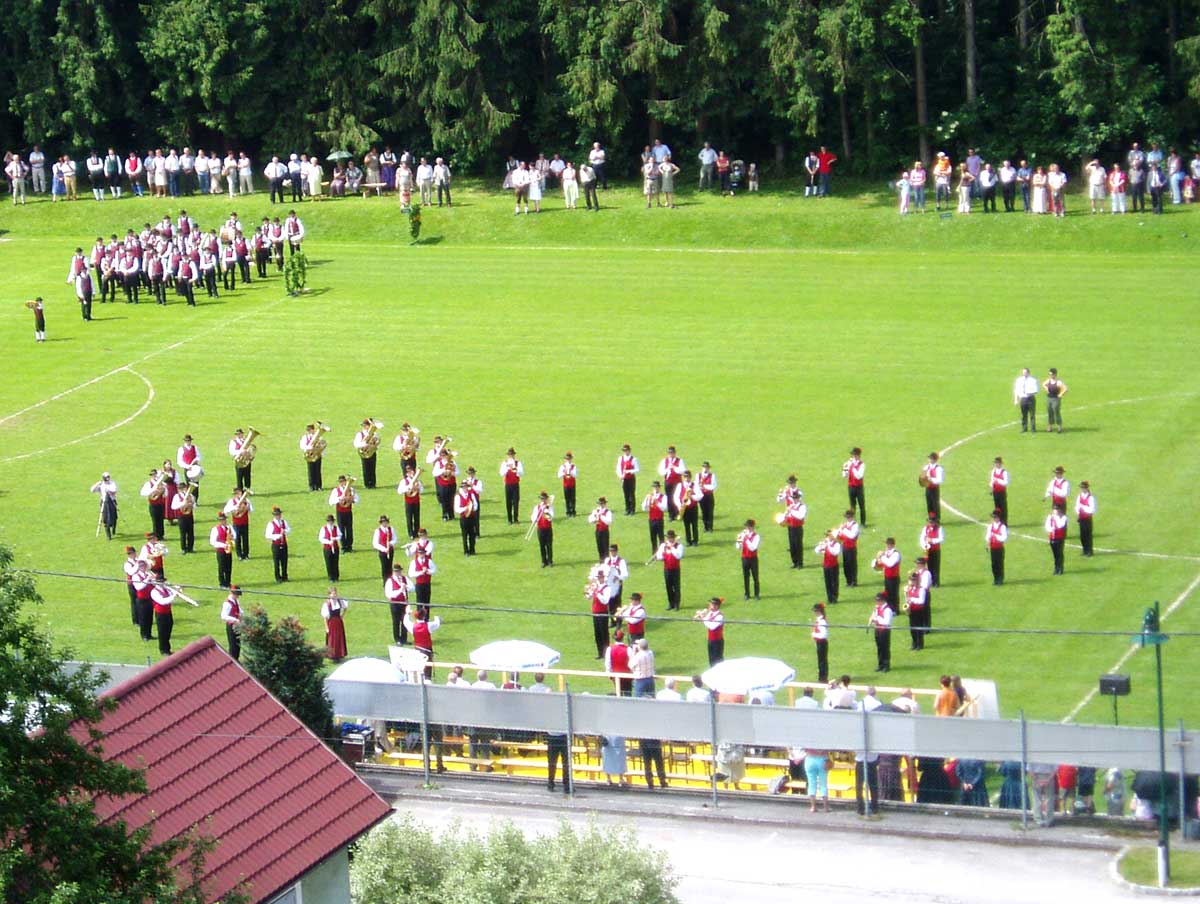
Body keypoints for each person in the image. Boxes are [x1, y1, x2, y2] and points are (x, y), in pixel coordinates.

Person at [329, 475, 359, 553]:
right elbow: (331, 501)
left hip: (348, 512)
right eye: (341, 482)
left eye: (344, 481)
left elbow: (357, 500)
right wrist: (340, 498)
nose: (342, 483)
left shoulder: (351, 489)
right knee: (341, 529)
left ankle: (349, 546)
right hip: (340, 512)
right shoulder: (336, 490)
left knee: (349, 529)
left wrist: (351, 499)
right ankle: (343, 546)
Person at [384, 563, 413, 645]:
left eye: (399, 571)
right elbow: (389, 594)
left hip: (404, 603)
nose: (398, 573)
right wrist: (400, 590)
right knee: (396, 622)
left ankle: (404, 639)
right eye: (396, 571)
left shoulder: (404, 578)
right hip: (395, 604)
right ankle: (397, 639)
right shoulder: (390, 581)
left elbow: (413, 587)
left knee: (405, 620)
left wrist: (406, 586)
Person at [654, 529, 684, 609]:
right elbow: (659, 556)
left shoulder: (679, 546)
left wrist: (672, 548)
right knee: (668, 586)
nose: (670, 539)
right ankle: (671, 603)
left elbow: (678, 556)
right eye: (669, 538)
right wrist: (660, 557)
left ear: (674, 538)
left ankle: (677, 604)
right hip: (667, 569)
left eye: (671, 538)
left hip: (676, 569)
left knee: (676, 586)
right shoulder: (663, 546)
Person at [149, 580, 178, 656]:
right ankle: (164, 650)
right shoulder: (154, 592)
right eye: (162, 582)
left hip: (168, 612)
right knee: (162, 632)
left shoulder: (166, 589)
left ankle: (167, 648)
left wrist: (177, 590)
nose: (164, 583)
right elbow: (162, 601)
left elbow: (171, 595)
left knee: (169, 627)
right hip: (160, 614)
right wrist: (173, 596)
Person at [780, 487, 807, 569]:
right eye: (794, 498)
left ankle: (800, 563)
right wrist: (784, 518)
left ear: (799, 499)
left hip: (798, 528)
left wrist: (791, 511)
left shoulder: (802, 507)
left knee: (798, 545)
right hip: (791, 527)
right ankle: (794, 562)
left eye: (796, 498)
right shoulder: (791, 506)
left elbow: (800, 516)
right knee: (792, 545)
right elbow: (787, 516)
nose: (795, 500)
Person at [735, 519, 761, 600]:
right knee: (746, 576)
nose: (747, 528)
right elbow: (738, 547)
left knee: (755, 576)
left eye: (748, 527)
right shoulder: (742, 535)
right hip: (745, 558)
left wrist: (746, 539)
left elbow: (753, 548)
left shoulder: (757, 536)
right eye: (746, 526)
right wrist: (739, 540)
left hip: (753, 558)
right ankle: (747, 594)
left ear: (752, 527)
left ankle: (757, 594)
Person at [209, 511, 235, 589]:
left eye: (224, 520)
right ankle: (222, 583)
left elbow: (235, 535)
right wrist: (224, 545)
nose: (223, 521)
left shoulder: (229, 527)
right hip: (221, 551)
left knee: (228, 566)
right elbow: (212, 541)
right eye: (222, 520)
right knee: (221, 567)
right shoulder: (215, 529)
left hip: (228, 549)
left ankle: (228, 582)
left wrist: (232, 540)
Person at [321, 587, 349, 661]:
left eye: (335, 593)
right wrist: (326, 628)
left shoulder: (339, 601)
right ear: (329, 594)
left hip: (338, 622)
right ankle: (332, 655)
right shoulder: (327, 604)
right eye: (333, 594)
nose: (334, 595)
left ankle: (340, 654)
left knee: (339, 638)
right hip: (331, 623)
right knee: (332, 638)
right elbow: (325, 617)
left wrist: (342, 616)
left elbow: (345, 607)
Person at [695, 597, 725, 665]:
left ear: (716, 606)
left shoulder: (720, 616)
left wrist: (702, 618)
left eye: (711, 604)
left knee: (718, 660)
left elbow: (712, 627)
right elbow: (706, 620)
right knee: (711, 659)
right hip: (711, 640)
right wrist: (700, 616)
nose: (709, 606)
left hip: (717, 641)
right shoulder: (711, 613)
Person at [868, 593, 893, 672]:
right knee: (879, 648)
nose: (877, 602)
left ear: (883, 600)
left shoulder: (887, 610)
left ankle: (886, 665)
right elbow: (874, 618)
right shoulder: (877, 608)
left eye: (878, 601)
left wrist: (876, 619)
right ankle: (880, 664)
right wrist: (873, 620)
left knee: (885, 648)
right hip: (878, 630)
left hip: (884, 631)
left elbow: (887, 622)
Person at [815, 531, 841, 604]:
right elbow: (816, 551)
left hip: (834, 566)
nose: (827, 537)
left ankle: (835, 598)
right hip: (826, 566)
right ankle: (829, 598)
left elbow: (835, 552)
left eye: (829, 536)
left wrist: (828, 546)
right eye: (827, 536)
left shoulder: (837, 544)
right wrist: (820, 546)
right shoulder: (825, 543)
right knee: (828, 583)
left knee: (834, 582)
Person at [904, 572, 929, 651]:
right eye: (911, 580)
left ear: (917, 580)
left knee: (919, 628)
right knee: (912, 628)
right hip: (912, 611)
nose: (912, 582)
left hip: (919, 611)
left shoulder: (921, 590)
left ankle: (920, 644)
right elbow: (907, 600)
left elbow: (921, 601)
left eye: (913, 580)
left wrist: (911, 599)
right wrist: (906, 595)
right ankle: (914, 643)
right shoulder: (910, 589)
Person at [875, 537, 901, 611]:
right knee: (888, 593)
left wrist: (882, 557)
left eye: (888, 544)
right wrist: (878, 560)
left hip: (894, 577)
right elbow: (883, 564)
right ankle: (890, 609)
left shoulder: (896, 554)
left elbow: (890, 564)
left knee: (894, 594)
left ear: (892, 545)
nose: (886, 546)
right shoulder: (886, 553)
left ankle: (895, 610)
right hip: (887, 577)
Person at [91, 471, 119, 539]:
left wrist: (108, 489)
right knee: (105, 518)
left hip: (112, 502)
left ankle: (113, 528)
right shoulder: (101, 485)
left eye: (108, 477)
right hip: (104, 502)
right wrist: (97, 484)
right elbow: (92, 490)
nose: (108, 478)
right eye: (106, 477)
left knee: (114, 517)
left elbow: (114, 490)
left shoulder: (112, 483)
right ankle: (108, 535)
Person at [265, 506, 290, 582]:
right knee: (276, 562)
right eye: (277, 515)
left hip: (284, 544)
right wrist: (278, 536)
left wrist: (285, 531)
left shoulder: (283, 522)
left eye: (279, 514)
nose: (278, 516)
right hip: (276, 544)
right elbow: (268, 535)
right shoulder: (271, 524)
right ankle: (277, 577)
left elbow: (289, 529)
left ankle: (285, 576)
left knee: (284, 561)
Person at [643, 480, 668, 554]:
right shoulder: (649, 496)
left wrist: (657, 502)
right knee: (653, 537)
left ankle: (662, 552)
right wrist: (647, 501)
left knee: (661, 537)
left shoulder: (663, 497)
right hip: (652, 520)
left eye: (657, 487)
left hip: (659, 519)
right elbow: (644, 508)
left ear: (659, 488)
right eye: (654, 487)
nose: (655, 489)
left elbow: (664, 508)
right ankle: (654, 552)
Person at [500, 448, 524, 524]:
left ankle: (516, 519)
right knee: (508, 502)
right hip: (508, 485)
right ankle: (509, 519)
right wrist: (507, 469)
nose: (511, 456)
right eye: (509, 455)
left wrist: (516, 469)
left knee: (516, 502)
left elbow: (522, 473)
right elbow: (501, 473)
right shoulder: (504, 463)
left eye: (512, 455)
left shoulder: (518, 463)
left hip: (515, 485)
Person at [531, 491, 554, 567]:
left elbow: (551, 518)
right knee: (542, 545)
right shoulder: (537, 507)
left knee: (549, 545)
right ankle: (544, 561)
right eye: (542, 499)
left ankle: (550, 561)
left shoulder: (550, 507)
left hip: (548, 529)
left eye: (544, 499)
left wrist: (547, 512)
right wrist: (535, 519)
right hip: (540, 529)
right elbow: (533, 517)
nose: (543, 500)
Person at [919, 516, 943, 587]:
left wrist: (932, 540)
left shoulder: (939, 529)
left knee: (935, 566)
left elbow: (941, 539)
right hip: (928, 550)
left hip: (935, 550)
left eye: (932, 522)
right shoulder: (925, 528)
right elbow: (922, 538)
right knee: (929, 566)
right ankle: (930, 582)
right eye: (929, 522)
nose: (930, 523)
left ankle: (936, 582)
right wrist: (924, 545)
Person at [838, 510, 860, 588]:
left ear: (852, 517)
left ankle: (854, 581)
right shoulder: (845, 525)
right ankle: (848, 581)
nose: (848, 519)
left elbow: (852, 536)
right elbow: (841, 535)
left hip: (851, 548)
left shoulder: (855, 525)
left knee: (852, 565)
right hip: (845, 547)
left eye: (849, 517)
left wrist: (843, 529)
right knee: (846, 565)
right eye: (847, 517)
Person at [220, 586, 243, 661]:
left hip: (237, 625)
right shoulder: (227, 604)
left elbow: (239, 610)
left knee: (237, 645)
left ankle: (236, 659)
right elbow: (223, 616)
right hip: (231, 626)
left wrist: (242, 616)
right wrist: (235, 620)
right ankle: (233, 660)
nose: (237, 596)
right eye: (236, 594)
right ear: (232, 593)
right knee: (233, 645)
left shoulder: (236, 601)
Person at [588, 496, 614, 562]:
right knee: (599, 546)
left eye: (602, 503)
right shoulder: (595, 511)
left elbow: (609, 521)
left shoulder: (608, 512)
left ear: (605, 504)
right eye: (600, 504)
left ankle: (607, 561)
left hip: (605, 531)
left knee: (605, 546)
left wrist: (601, 516)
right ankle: (601, 559)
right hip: (598, 531)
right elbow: (590, 519)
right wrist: (594, 520)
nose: (601, 505)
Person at [1013, 367, 1039, 432]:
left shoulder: (1033, 380)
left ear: (1028, 373)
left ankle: (1033, 429)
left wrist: (1030, 393)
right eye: (1023, 372)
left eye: (1025, 372)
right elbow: (1016, 390)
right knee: (1024, 414)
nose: (1024, 373)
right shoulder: (1019, 380)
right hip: (1023, 399)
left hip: (1030, 398)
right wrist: (1016, 399)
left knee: (1032, 414)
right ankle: (1024, 428)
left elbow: (1036, 390)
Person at [986, 510, 1007, 585]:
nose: (994, 519)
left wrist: (996, 536)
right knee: (994, 564)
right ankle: (995, 578)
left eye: (995, 517)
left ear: (998, 518)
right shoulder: (990, 526)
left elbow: (1004, 538)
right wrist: (987, 545)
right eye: (993, 517)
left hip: (999, 548)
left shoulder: (1003, 527)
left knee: (999, 563)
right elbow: (988, 536)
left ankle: (1000, 579)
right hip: (993, 548)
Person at [1075, 481, 1096, 557]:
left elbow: (1092, 509)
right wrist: (1078, 512)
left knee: (1088, 535)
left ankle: (1090, 551)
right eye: (1081, 488)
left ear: (1087, 488)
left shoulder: (1091, 497)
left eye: (1083, 488)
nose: (1082, 489)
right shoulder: (1079, 496)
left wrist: (1083, 508)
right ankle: (1084, 550)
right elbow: (1077, 506)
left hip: (1087, 518)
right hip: (1081, 518)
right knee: (1082, 535)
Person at [1045, 504, 1068, 575]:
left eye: (1057, 510)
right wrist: (1050, 529)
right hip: (1052, 538)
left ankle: (1060, 568)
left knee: (1059, 554)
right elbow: (1047, 526)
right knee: (1055, 554)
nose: (1056, 512)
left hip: (1060, 538)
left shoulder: (1063, 517)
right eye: (1054, 510)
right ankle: (1056, 568)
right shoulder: (1050, 517)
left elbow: (1060, 525)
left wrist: (1056, 517)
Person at [617, 443, 639, 515]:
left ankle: (632, 509)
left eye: (626, 450)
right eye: (624, 450)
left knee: (631, 494)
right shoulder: (621, 458)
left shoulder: (634, 459)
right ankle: (627, 509)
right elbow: (618, 468)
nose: (625, 452)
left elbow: (637, 469)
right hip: (624, 479)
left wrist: (629, 471)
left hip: (631, 479)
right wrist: (620, 475)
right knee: (626, 494)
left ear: (629, 451)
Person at [1043, 368, 1067, 433]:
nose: (1050, 375)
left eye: (1051, 374)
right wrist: (1046, 389)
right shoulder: (1048, 380)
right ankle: (1050, 426)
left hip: (1056, 399)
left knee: (1056, 412)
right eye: (1049, 374)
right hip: (1049, 398)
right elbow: (1043, 384)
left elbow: (1065, 389)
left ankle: (1059, 427)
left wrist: (1061, 394)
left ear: (1055, 374)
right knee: (1049, 411)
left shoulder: (1059, 382)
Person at [319, 514, 341, 581]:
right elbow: (321, 539)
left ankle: (336, 577)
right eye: (329, 521)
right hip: (327, 549)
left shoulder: (336, 528)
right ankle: (331, 577)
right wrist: (328, 542)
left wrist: (335, 538)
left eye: (332, 521)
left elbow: (340, 535)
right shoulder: (323, 528)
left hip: (335, 548)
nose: (331, 523)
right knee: (329, 563)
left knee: (335, 562)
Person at [921, 452, 943, 520]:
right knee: (929, 503)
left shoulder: (939, 469)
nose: (929, 459)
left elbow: (940, 480)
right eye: (929, 458)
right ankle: (931, 517)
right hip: (928, 488)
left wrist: (931, 479)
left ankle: (937, 518)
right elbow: (923, 476)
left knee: (935, 504)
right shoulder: (926, 467)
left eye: (931, 458)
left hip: (934, 488)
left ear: (934, 460)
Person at [811, 602, 829, 683]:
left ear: (818, 611)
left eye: (815, 611)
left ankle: (823, 678)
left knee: (822, 661)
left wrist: (814, 634)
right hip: (820, 643)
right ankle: (822, 677)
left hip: (822, 643)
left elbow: (823, 635)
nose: (814, 613)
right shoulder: (819, 620)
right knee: (821, 660)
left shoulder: (822, 621)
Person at [990, 456, 1010, 525]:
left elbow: (1006, 482)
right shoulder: (993, 471)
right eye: (995, 463)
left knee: (1003, 507)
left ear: (1000, 464)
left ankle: (1004, 522)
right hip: (995, 492)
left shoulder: (1004, 472)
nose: (996, 464)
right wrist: (991, 486)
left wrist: (998, 481)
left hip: (1001, 492)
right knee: (997, 507)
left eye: (997, 463)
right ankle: (998, 521)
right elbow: (992, 480)